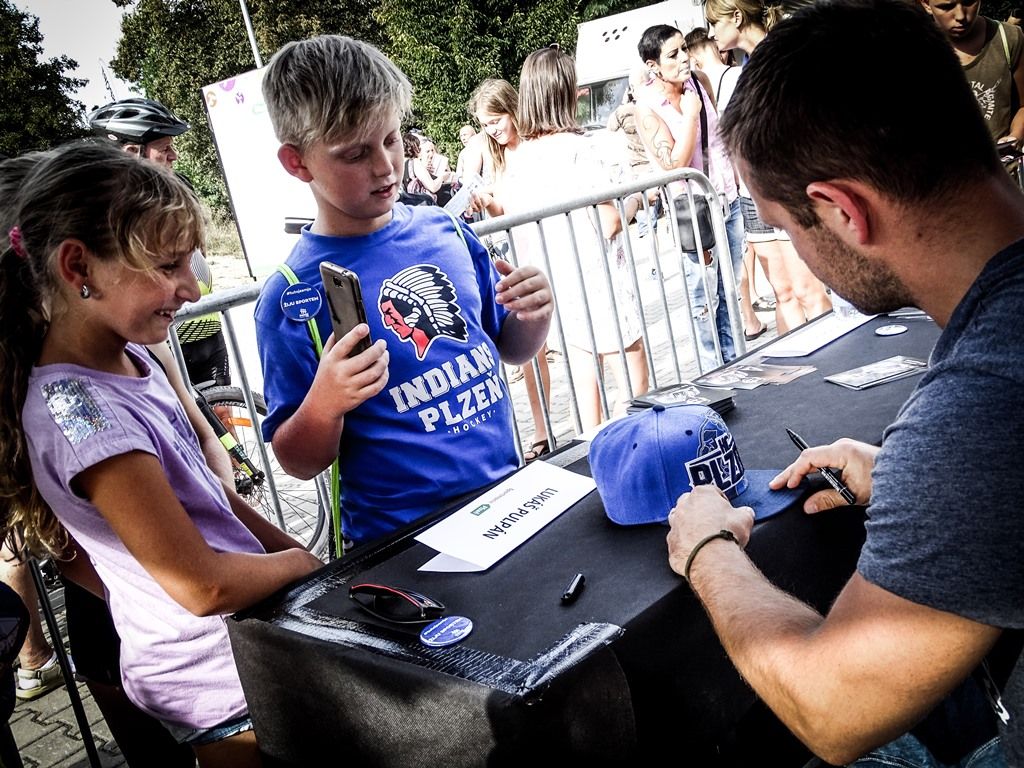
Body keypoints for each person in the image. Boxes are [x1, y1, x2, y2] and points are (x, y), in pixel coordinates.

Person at [666, 0, 1024, 764]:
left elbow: (832, 705)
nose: (795, 249)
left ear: (839, 211)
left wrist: (707, 551)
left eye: (789, 228)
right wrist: (906, 474)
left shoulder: (986, 399)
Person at [0, 140, 322, 767]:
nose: (193, 287)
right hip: (214, 674)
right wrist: (301, 570)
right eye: (169, 265)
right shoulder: (83, 416)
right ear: (77, 267)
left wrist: (291, 554)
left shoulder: (133, 356)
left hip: (242, 639)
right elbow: (200, 583)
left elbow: (213, 497)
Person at [255, 35, 553, 548]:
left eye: (392, 139)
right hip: (400, 546)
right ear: (297, 163)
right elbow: (297, 460)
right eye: (355, 153)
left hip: (505, 501)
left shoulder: (446, 229)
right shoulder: (291, 296)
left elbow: (509, 348)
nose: (385, 166)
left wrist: (534, 313)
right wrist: (326, 403)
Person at [495, 45, 646, 430]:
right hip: (599, 277)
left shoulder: (522, 158)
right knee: (634, 382)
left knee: (584, 383)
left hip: (559, 280)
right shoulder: (582, 150)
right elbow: (609, 221)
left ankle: (595, 458)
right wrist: (635, 203)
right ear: (564, 92)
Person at [704, 0, 833, 335]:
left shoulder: (783, 53)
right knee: (783, 292)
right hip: (753, 194)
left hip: (787, 188)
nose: (710, 32)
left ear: (736, 16)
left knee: (807, 291)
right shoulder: (743, 65)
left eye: (713, 22)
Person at [87, 98, 233, 392]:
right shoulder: (109, 220)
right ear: (132, 152)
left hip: (207, 330)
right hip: (165, 343)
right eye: (165, 149)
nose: (174, 156)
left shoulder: (180, 192)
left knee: (227, 426)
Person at [635, 24, 745, 372]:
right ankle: (715, 373)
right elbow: (675, 165)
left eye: (684, 49)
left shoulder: (700, 82)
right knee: (703, 299)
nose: (684, 58)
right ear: (653, 65)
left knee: (731, 292)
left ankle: (738, 363)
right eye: (673, 54)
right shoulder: (649, 106)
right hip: (693, 212)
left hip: (728, 198)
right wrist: (689, 115)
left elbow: (719, 142)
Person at [467, 78, 552, 462]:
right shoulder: (496, 157)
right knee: (534, 352)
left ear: (512, 109)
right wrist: (487, 201)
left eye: (496, 119)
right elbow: (504, 212)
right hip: (521, 256)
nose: (493, 130)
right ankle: (542, 427)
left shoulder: (537, 147)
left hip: (551, 250)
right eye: (486, 125)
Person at [683, 25, 766, 341]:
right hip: (713, 198)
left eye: (684, 53)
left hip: (737, 190)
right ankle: (740, 329)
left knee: (734, 277)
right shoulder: (691, 93)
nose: (684, 62)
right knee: (715, 285)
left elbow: (728, 136)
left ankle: (742, 330)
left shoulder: (716, 80)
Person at [920, 0, 1024, 147]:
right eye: (946, 7)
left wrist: (1015, 136)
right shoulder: (911, 48)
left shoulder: (1009, 39)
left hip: (1000, 166)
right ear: (925, 4)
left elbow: (1022, 106)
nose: (961, 16)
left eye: (969, 2)